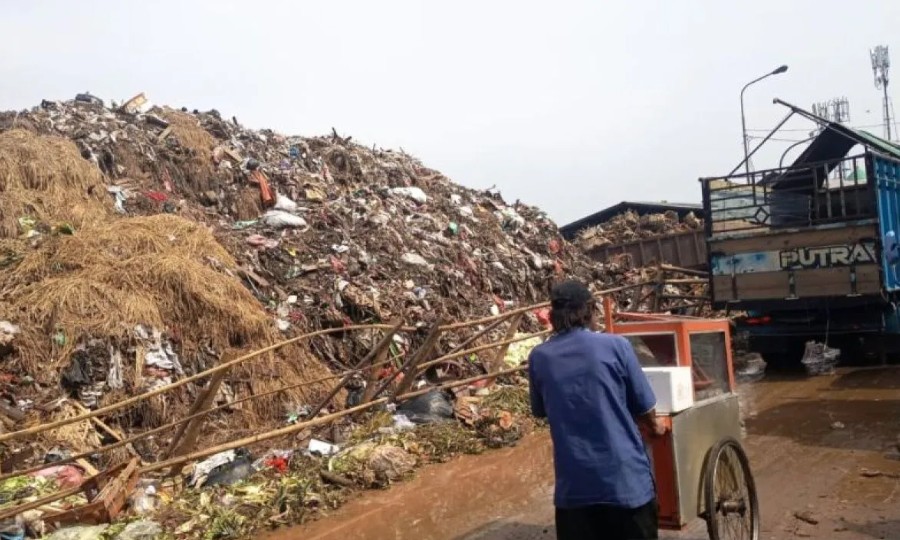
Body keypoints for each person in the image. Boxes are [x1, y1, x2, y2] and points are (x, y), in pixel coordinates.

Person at [528, 279, 667, 540]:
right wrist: (656, 427)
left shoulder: (539, 357)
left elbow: (540, 410)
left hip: (574, 491)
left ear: (554, 316)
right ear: (589, 310)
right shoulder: (616, 346)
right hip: (625, 486)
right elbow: (645, 408)